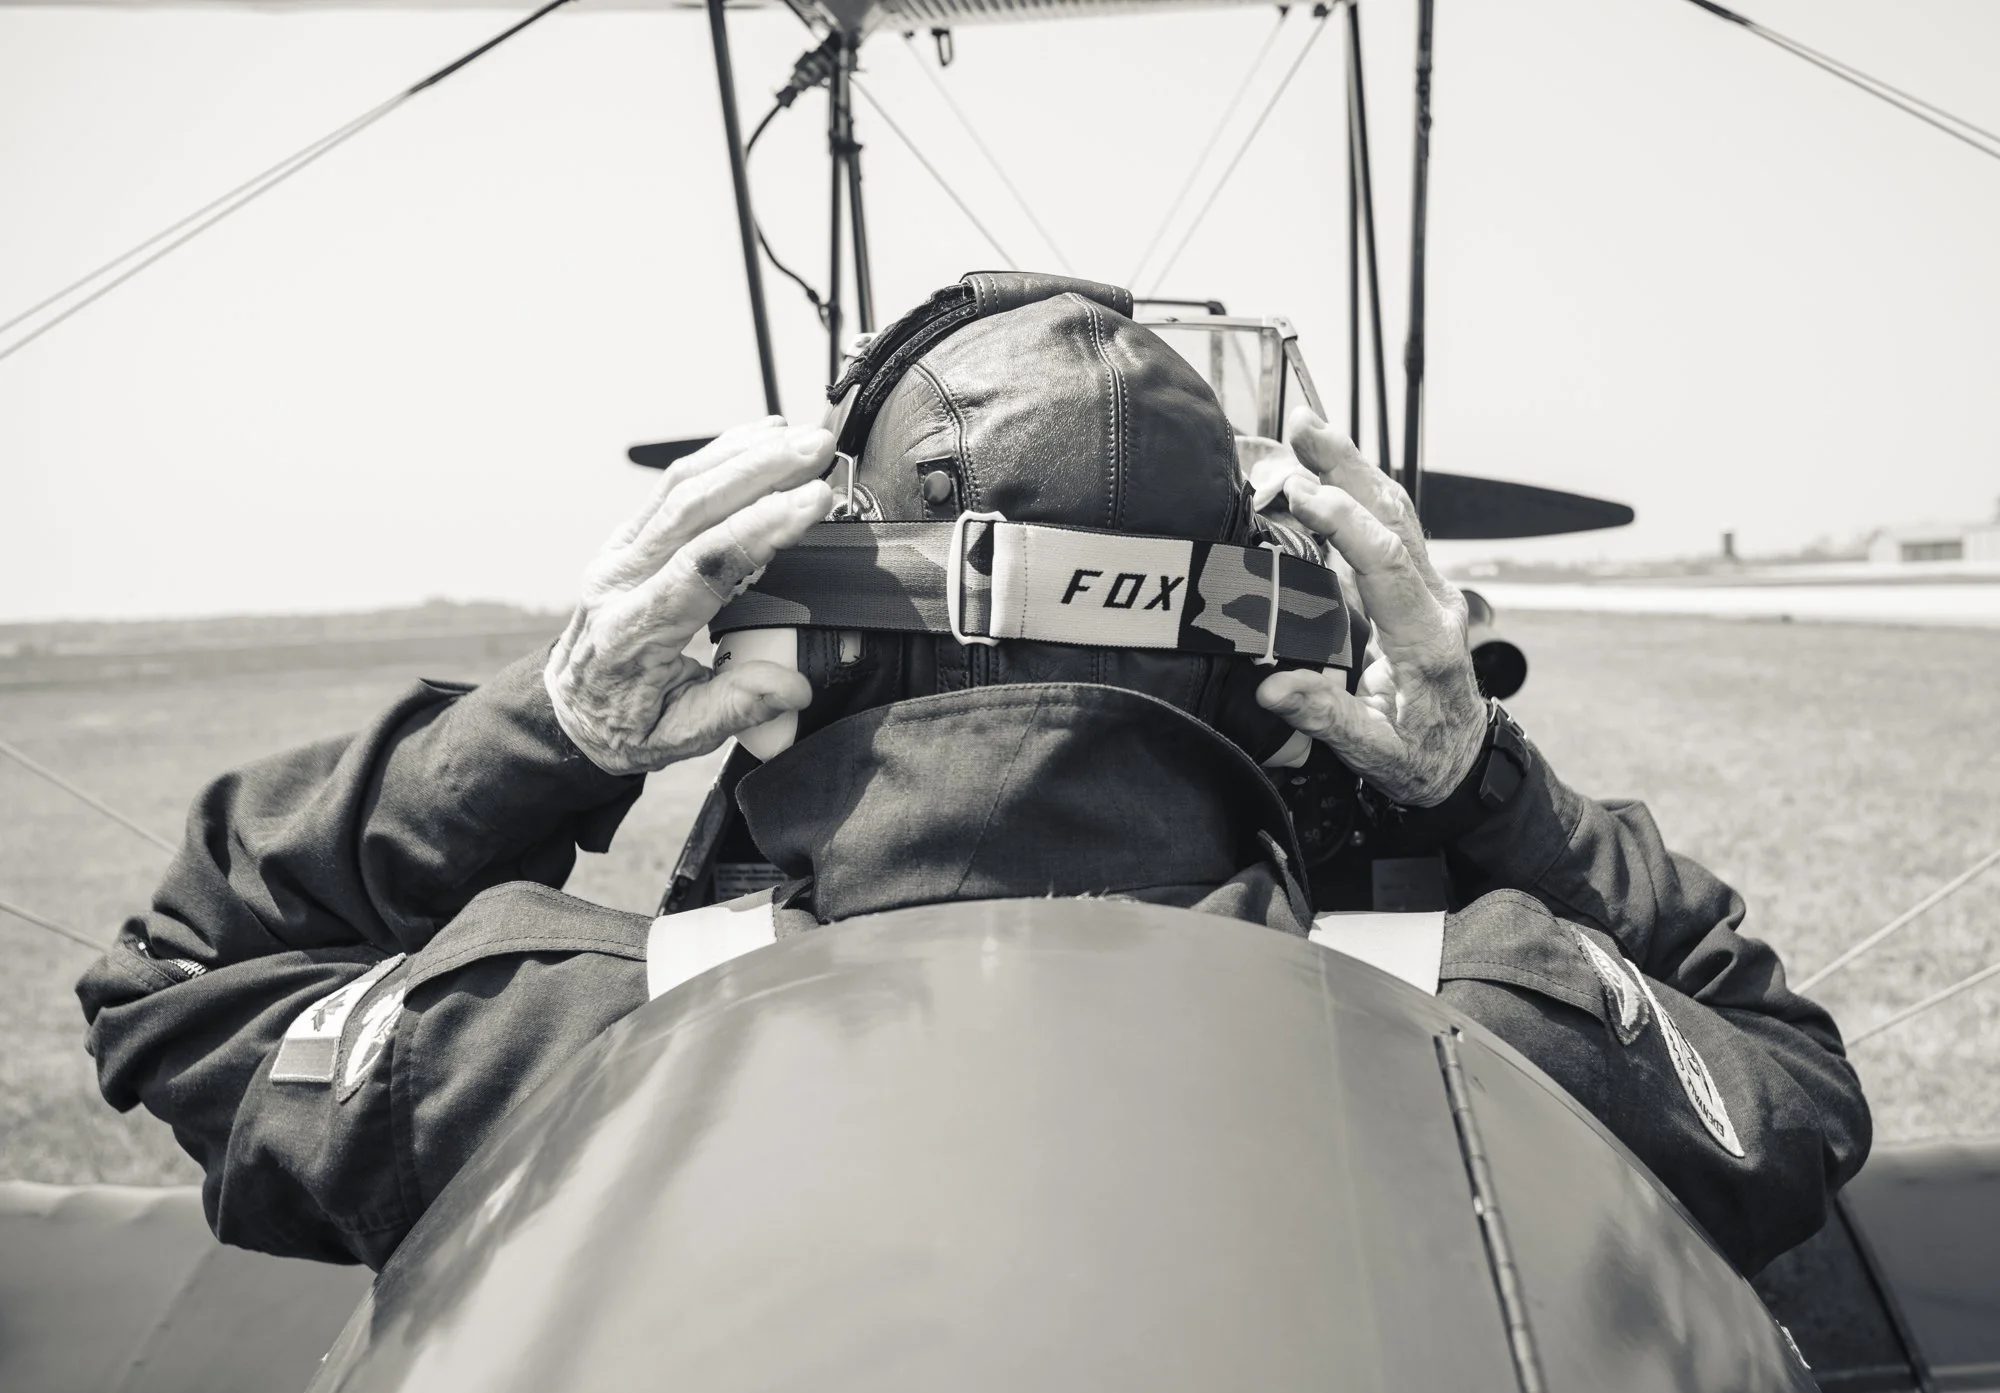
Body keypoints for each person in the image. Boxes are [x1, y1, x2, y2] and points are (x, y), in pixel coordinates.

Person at [78, 273, 1868, 1277]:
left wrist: (560, 724)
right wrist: (1478, 778)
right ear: (1281, 667)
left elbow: (182, 978)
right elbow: (1787, 1075)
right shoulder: (1504, 1030)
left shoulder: (558, 1042)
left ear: (810, 638)